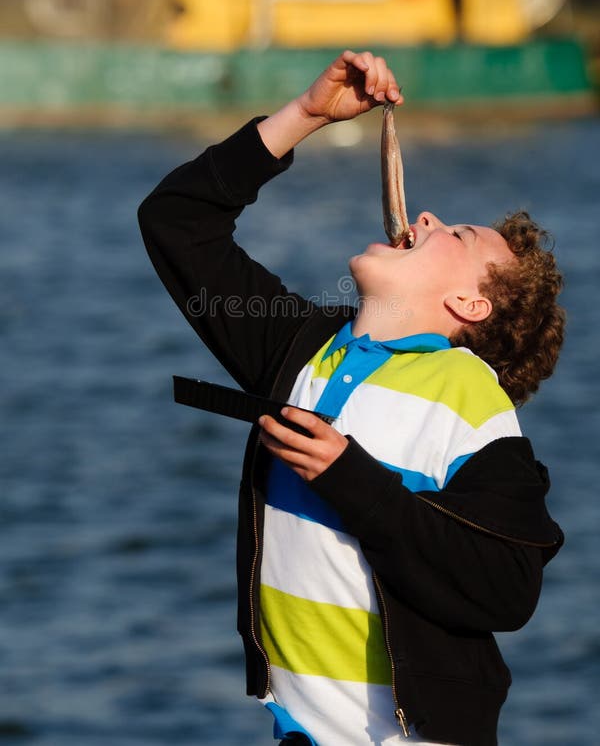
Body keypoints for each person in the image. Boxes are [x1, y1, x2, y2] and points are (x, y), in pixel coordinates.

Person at [138, 50, 564, 746]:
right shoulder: (302, 351)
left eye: (456, 234)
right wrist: (305, 114)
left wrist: (348, 477)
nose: (424, 215)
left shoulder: (469, 397)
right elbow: (174, 220)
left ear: (468, 305)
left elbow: (507, 586)